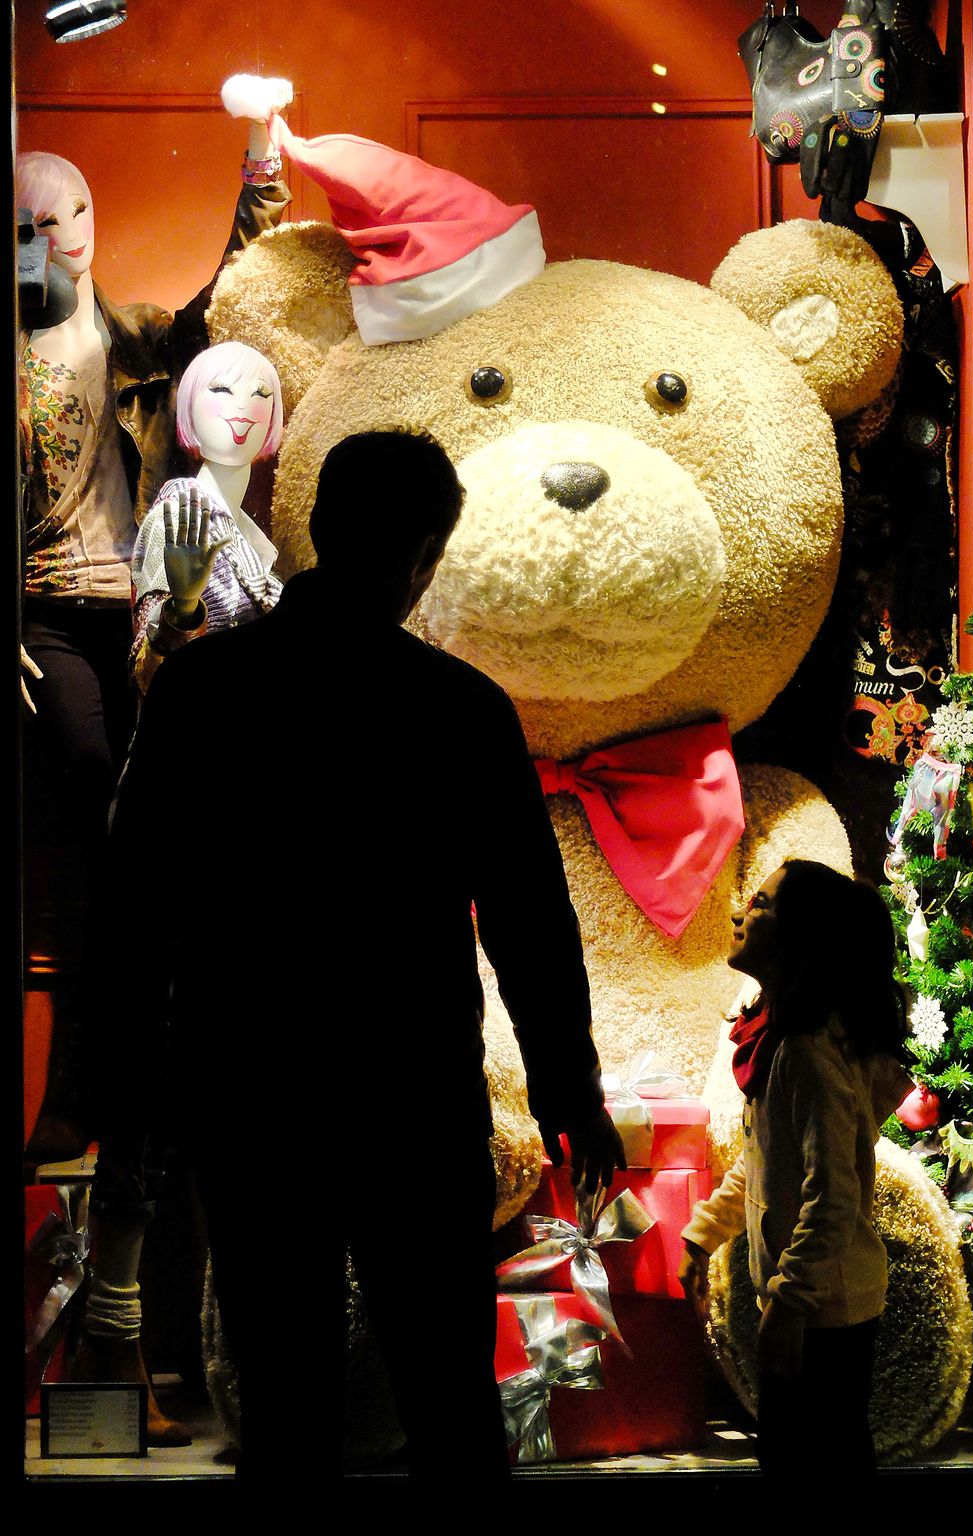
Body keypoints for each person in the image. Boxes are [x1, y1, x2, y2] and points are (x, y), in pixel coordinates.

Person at [99, 429, 625, 1480]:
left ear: (320, 529)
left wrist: (128, 1081)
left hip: (249, 1086)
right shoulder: (459, 708)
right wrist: (570, 1089)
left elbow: (134, 900)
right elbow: (529, 918)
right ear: (426, 552)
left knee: (283, 1398)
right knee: (444, 1394)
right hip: (412, 1090)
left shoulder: (201, 693)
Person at [18, 98, 291, 1168]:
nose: (47, 240)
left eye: (62, 216)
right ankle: (86, 1095)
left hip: (139, 613)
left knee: (163, 844)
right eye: (25, 224)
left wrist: (261, 159)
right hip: (46, 617)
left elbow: (228, 299)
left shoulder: (129, 338)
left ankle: (152, 1095)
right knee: (96, 832)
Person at [678, 859, 913, 1476]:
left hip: (825, 1312)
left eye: (759, 904)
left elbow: (832, 1197)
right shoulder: (783, 1040)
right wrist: (704, 1234)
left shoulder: (808, 1054)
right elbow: (764, 1168)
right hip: (807, 1302)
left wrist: (788, 1305)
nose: (738, 912)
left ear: (801, 939)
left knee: (809, 1462)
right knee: (801, 1456)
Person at [129, 340, 285, 694]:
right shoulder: (178, 515)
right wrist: (182, 609)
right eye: (221, 390)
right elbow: (147, 673)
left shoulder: (252, 538)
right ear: (189, 406)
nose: (244, 405)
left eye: (261, 394)